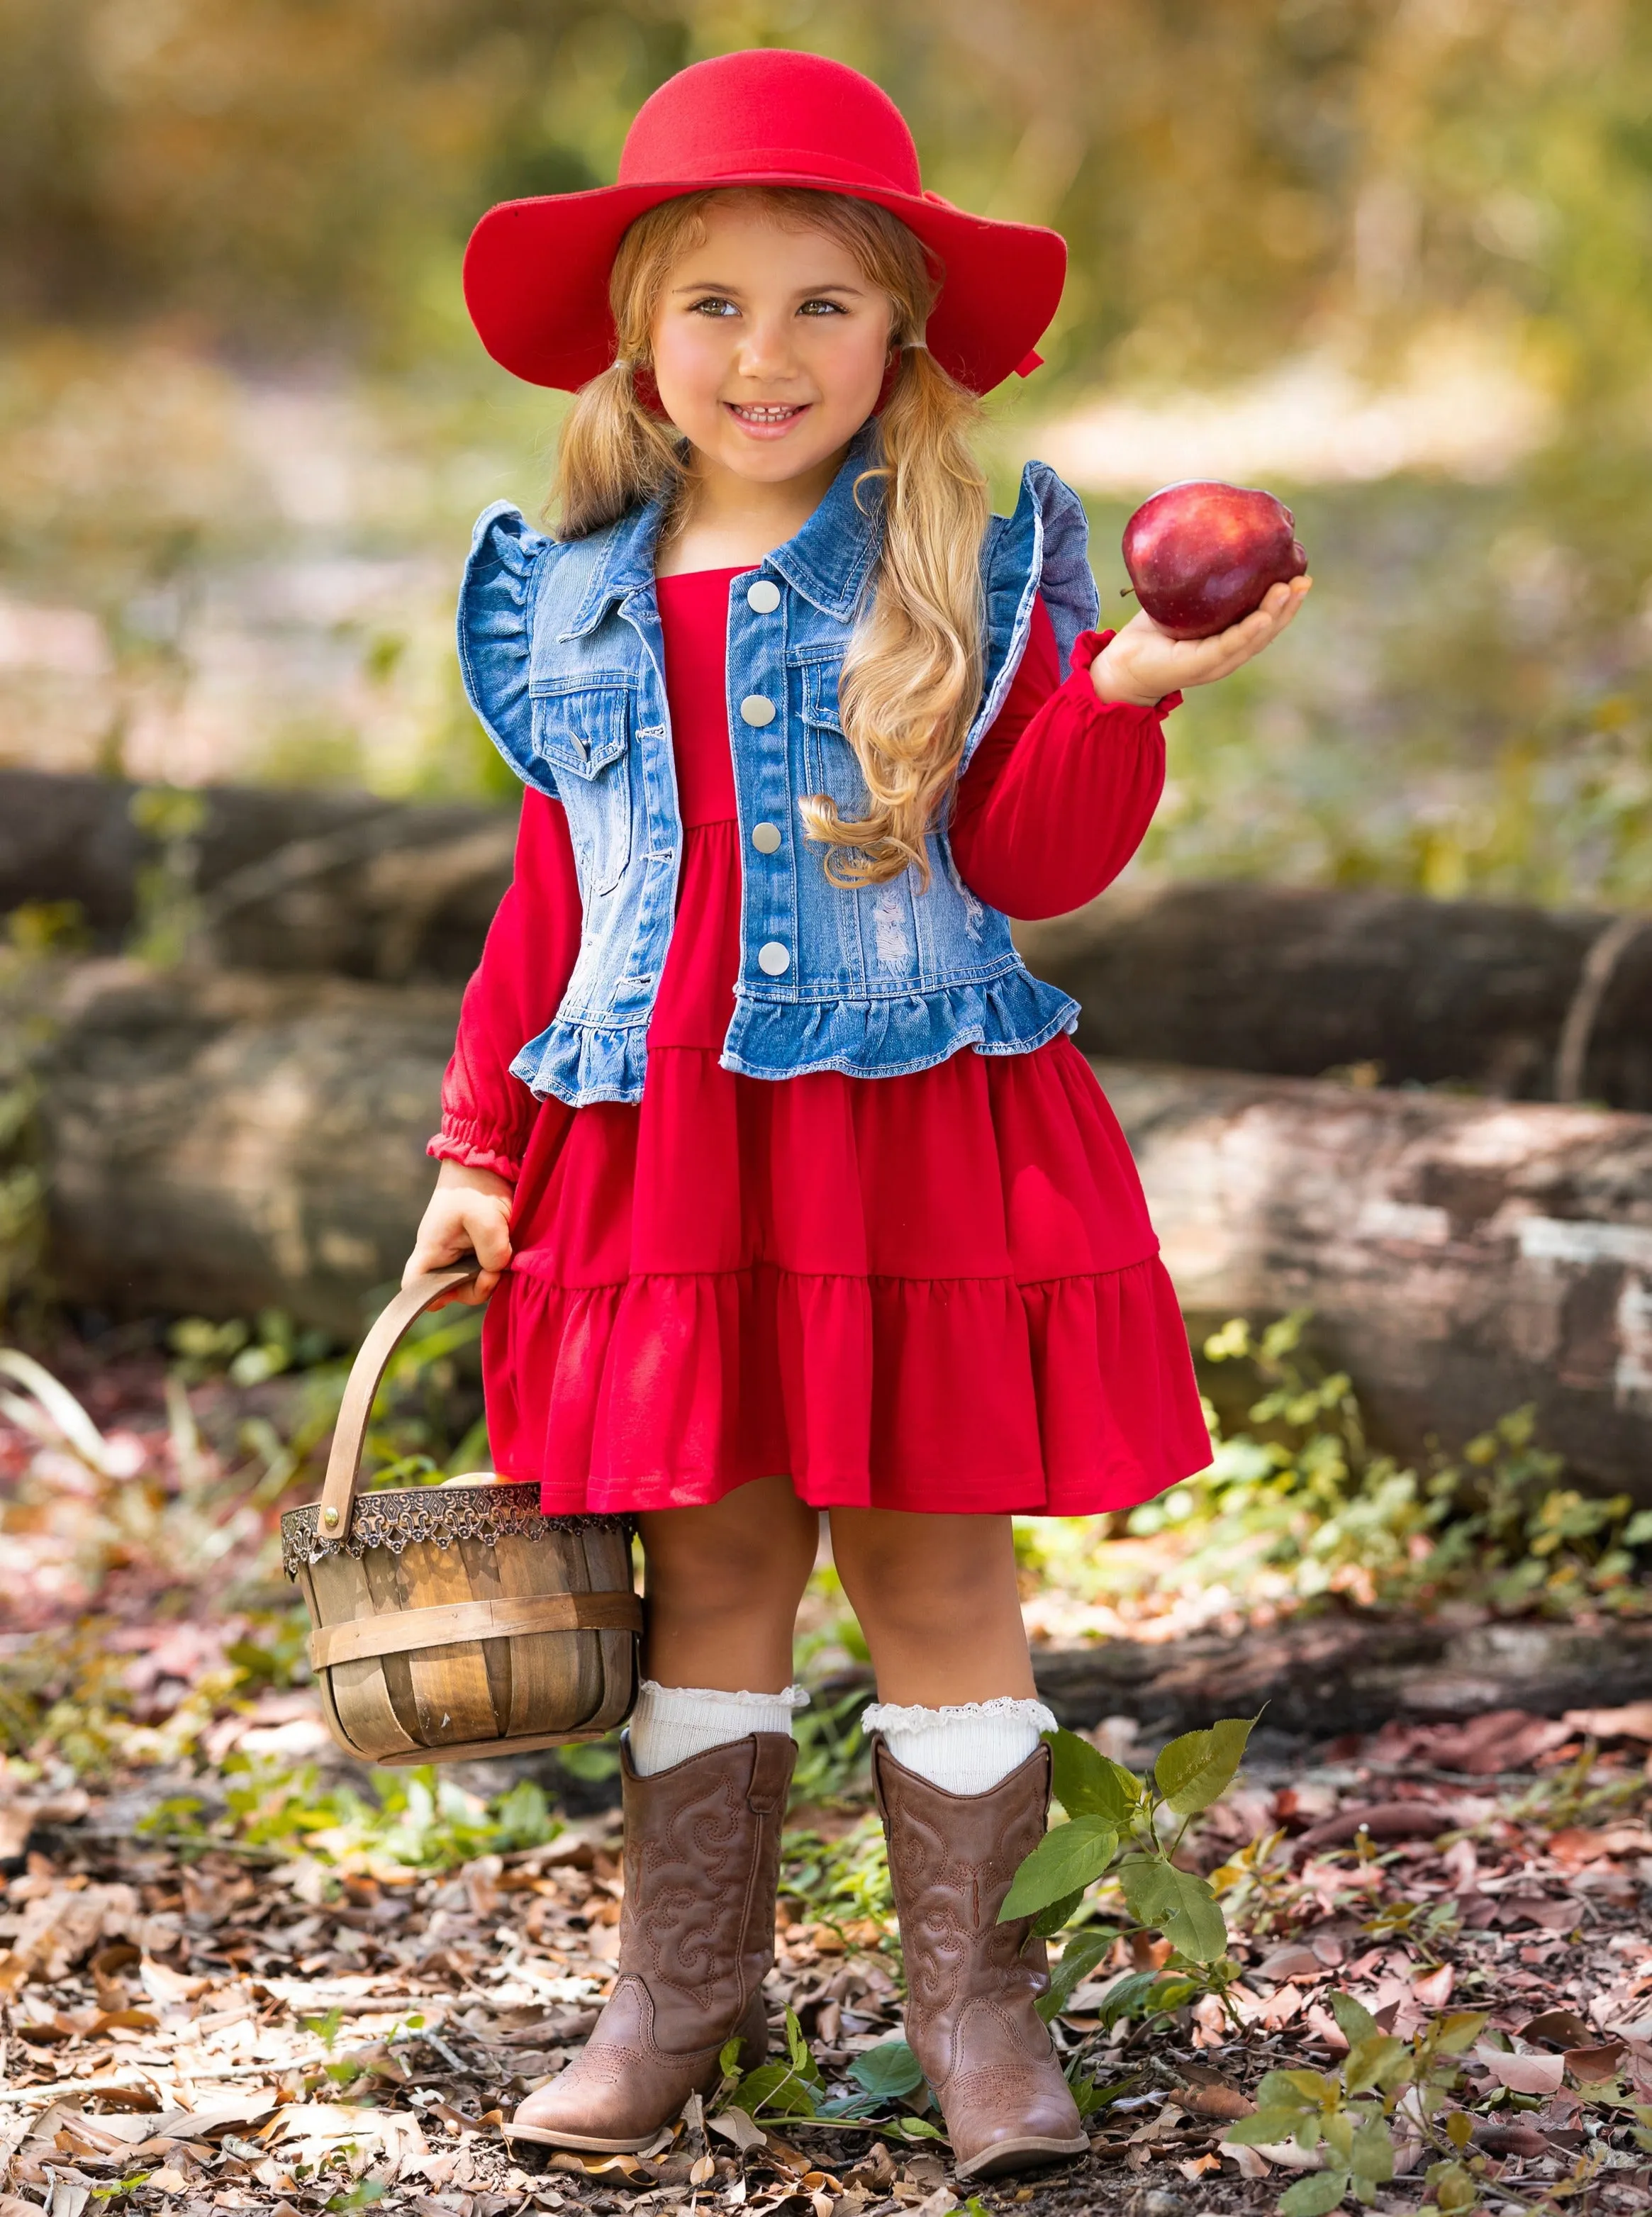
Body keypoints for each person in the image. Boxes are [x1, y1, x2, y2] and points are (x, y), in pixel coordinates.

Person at [403, 48, 1309, 2182]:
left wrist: (1115, 692)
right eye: (711, 302)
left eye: (821, 301)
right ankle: (673, 1998)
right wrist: (475, 1143)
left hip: (904, 1134)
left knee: (929, 1550)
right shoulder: (577, 589)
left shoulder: (966, 570)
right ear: (640, 332)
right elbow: (563, 892)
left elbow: (1037, 851)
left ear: (901, 326)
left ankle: (974, 2011)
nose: (763, 351)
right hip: (659, 1142)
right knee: (709, 1553)